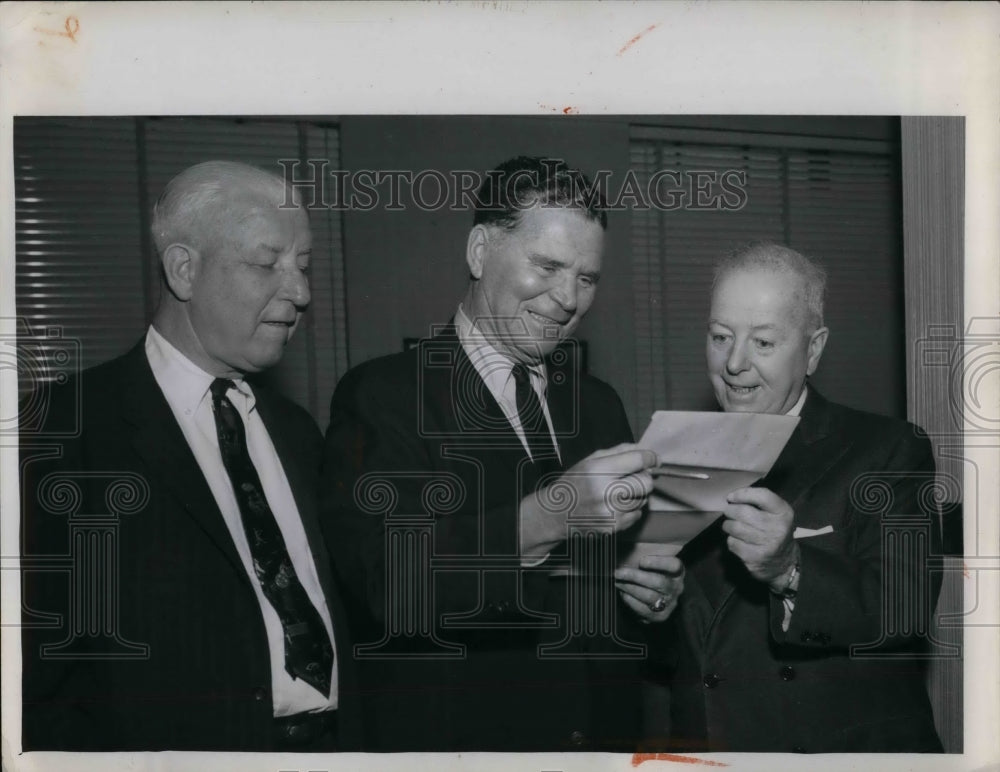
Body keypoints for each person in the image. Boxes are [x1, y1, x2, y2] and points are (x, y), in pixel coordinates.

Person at [321, 156, 683, 751]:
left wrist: (649, 601)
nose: (568, 299)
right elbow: (392, 586)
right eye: (547, 266)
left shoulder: (598, 404)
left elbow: (607, 591)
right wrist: (548, 517)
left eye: (587, 278)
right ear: (480, 251)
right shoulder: (384, 394)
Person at [19, 161, 360, 751]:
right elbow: (35, 677)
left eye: (303, 266)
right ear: (184, 269)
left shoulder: (297, 431)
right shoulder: (58, 432)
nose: (301, 292)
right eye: (266, 263)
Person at [655, 241, 943, 752]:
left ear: (813, 350)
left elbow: (906, 609)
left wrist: (790, 567)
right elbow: (670, 650)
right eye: (720, 337)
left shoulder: (888, 449)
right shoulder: (671, 453)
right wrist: (647, 601)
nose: (734, 363)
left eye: (763, 343)